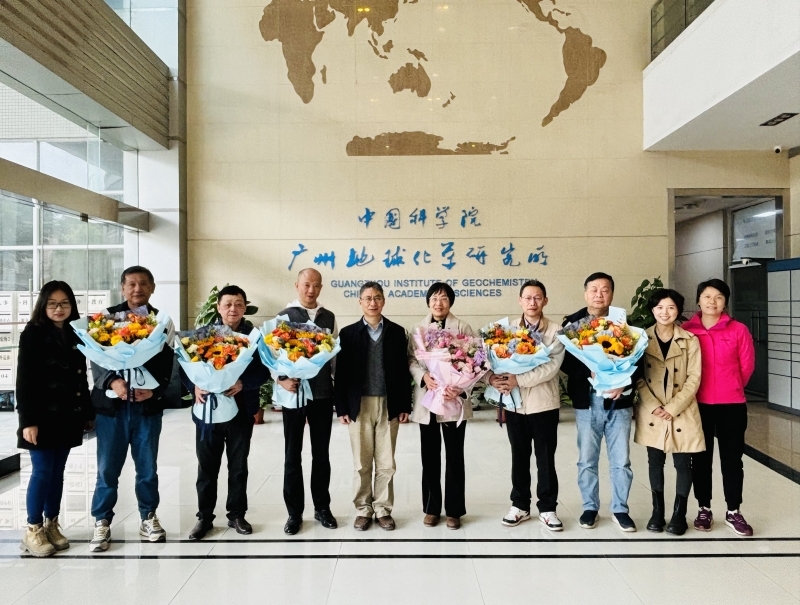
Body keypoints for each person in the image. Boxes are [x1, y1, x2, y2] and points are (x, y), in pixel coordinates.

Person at [89, 266, 175, 552]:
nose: (137, 289)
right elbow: (96, 358)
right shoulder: (106, 318)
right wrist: (113, 382)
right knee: (107, 469)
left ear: (152, 288)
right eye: (132, 284)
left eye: (143, 284)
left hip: (146, 407)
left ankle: (148, 516)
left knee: (147, 468)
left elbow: (167, 363)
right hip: (112, 409)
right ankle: (102, 520)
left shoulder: (161, 321)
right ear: (122, 288)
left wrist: (155, 390)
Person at [184, 285, 270, 540]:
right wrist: (194, 386)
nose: (233, 309)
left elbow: (265, 370)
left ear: (245, 308)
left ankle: (236, 514)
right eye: (228, 304)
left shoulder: (255, 336)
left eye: (239, 304)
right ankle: (204, 517)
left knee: (238, 466)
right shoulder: (203, 335)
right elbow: (184, 366)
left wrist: (244, 383)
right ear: (218, 307)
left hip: (241, 410)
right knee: (206, 467)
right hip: (208, 411)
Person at [16, 282, 95, 557]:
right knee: (42, 471)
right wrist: (27, 421)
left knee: (58, 471)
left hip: (68, 415)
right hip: (41, 417)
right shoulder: (33, 333)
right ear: (43, 305)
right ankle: (33, 528)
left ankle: (51, 523)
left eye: (64, 303)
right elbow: (24, 380)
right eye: (52, 303)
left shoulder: (75, 332)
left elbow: (81, 377)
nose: (58, 309)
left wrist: (86, 413)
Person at [561, 272, 639, 532]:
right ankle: (590, 507)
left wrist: (624, 382)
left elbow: (639, 360)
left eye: (605, 290)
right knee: (587, 458)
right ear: (585, 293)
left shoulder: (624, 322)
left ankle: (620, 509)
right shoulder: (572, 323)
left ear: (612, 294)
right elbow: (566, 362)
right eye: (594, 289)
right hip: (587, 400)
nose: (599, 294)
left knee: (621, 460)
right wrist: (589, 371)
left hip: (619, 400)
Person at [487, 279, 566, 531]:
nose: (532, 302)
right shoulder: (505, 331)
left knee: (545, 458)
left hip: (544, 404)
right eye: (528, 298)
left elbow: (551, 367)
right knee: (518, 456)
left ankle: (548, 508)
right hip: (515, 404)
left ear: (545, 301)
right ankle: (519, 505)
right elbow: (492, 361)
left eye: (537, 297)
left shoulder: (556, 331)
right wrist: (497, 379)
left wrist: (517, 379)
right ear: (520, 301)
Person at [335, 282, 412, 531]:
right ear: (360, 302)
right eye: (367, 298)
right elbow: (340, 374)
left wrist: (405, 404)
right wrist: (341, 407)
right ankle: (363, 509)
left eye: (377, 297)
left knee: (387, 461)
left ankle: (383, 509)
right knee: (361, 462)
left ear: (383, 301)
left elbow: (403, 372)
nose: (372, 302)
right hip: (359, 404)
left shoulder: (397, 332)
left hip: (389, 403)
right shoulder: (348, 334)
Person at [682, 279, 756, 536]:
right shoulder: (687, 330)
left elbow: (746, 366)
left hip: (731, 404)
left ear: (725, 302)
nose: (712, 302)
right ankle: (704, 508)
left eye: (718, 297)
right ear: (698, 300)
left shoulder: (738, 330)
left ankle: (733, 511)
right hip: (697, 404)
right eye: (707, 296)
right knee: (700, 459)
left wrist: (731, 385)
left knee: (732, 460)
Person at [634, 289, 704, 535]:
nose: (665, 312)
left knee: (683, 463)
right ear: (652, 310)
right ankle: (657, 512)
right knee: (655, 461)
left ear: (678, 311)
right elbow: (636, 375)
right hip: (652, 410)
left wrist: (673, 407)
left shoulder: (689, 340)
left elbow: (694, 377)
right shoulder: (640, 339)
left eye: (671, 307)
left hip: (682, 409)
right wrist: (653, 405)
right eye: (660, 307)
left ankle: (679, 514)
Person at [275, 268, 339, 535]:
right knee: (292, 454)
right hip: (294, 394)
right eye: (306, 285)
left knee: (321, 454)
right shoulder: (284, 316)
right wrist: (281, 379)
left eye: (316, 285)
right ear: (297, 285)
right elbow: (273, 353)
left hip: (322, 394)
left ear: (320, 288)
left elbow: (334, 357)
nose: (311, 290)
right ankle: (294, 513)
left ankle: (322, 507)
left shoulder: (328, 317)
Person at [408, 282, 474, 530]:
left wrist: (459, 385)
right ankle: (431, 508)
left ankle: (454, 511)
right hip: (428, 398)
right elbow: (412, 359)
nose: (439, 303)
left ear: (450, 302)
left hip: (453, 398)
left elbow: (473, 361)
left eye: (444, 298)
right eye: (434, 299)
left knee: (455, 457)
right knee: (429, 456)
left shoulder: (463, 327)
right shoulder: (418, 328)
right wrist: (423, 376)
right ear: (428, 302)